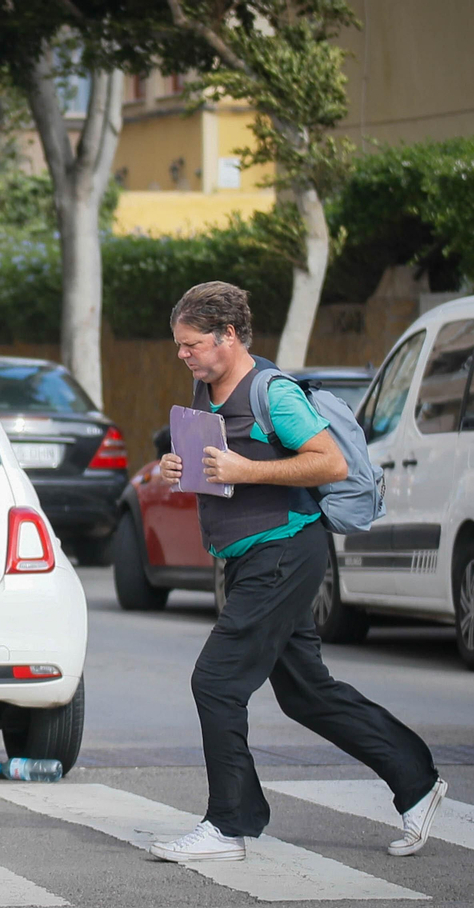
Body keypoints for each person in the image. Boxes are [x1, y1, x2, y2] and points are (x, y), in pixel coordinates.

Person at [148, 281, 446, 863]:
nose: (182, 355)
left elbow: (328, 461)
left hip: (285, 552)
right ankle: (417, 781)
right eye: (179, 345)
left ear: (228, 336)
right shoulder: (206, 388)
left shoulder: (271, 391)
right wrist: (177, 466)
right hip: (248, 558)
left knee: (216, 680)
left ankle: (229, 824)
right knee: (307, 693)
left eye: (191, 345)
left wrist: (244, 468)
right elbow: (223, 466)